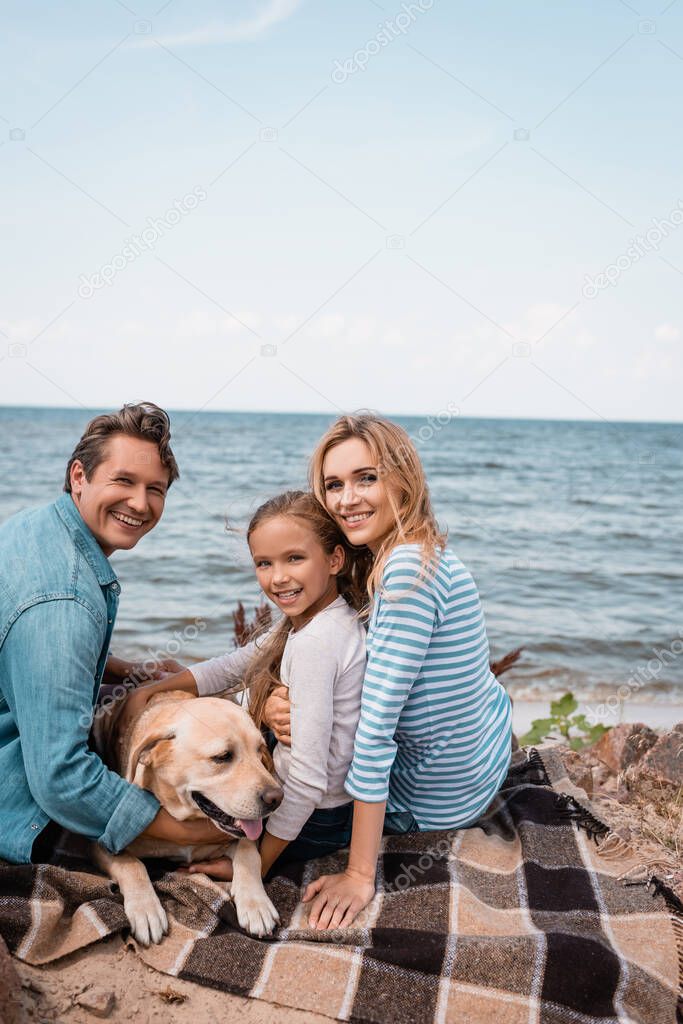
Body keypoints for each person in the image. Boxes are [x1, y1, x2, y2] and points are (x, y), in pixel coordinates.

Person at [264, 413, 512, 930]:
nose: (346, 499)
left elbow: (373, 731)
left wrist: (358, 873)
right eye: (333, 485)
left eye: (366, 478)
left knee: (261, 800)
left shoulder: (402, 573)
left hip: (436, 801)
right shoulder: (425, 553)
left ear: (403, 478)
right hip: (484, 759)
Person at [0, 402, 226, 864]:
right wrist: (195, 834)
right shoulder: (65, 600)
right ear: (79, 476)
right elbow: (62, 778)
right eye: (123, 481)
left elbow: (27, 648)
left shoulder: (38, 528)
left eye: (155, 489)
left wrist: (125, 670)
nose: (140, 504)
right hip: (16, 807)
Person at [118, 490, 367, 877]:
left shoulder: (317, 643)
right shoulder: (315, 620)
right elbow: (237, 663)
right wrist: (152, 688)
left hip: (314, 819)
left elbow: (307, 777)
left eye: (294, 558)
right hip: (325, 804)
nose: (278, 577)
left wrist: (257, 864)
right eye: (264, 563)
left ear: (335, 559)